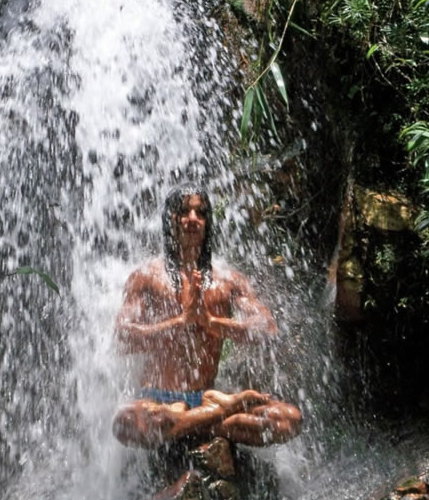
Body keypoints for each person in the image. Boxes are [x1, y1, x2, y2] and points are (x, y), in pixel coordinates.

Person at [113, 183, 301, 449]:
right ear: (171, 219)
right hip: (157, 402)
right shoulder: (146, 278)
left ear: (207, 222)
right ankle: (220, 416)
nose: (193, 219)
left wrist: (210, 322)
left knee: (288, 419)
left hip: (204, 398)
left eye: (200, 213)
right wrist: (180, 323)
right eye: (184, 212)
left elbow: (266, 329)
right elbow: (122, 338)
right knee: (127, 422)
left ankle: (187, 423)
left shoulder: (228, 280)